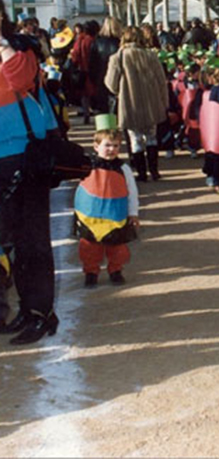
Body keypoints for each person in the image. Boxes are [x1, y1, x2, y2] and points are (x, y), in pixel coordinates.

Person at [0, 0, 60, 345]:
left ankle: (39, 312)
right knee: (8, 240)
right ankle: (24, 307)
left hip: (25, 151)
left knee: (32, 239)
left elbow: (21, 78)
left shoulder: (20, 47)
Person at [74, 116, 139, 287]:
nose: (111, 149)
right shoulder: (86, 166)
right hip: (90, 215)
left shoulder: (123, 168)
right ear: (96, 147)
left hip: (116, 214)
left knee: (117, 246)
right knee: (89, 247)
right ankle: (91, 272)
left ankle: (116, 270)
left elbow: (132, 192)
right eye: (107, 145)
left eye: (116, 146)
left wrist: (133, 213)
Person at [104, 26, 170, 183]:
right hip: (151, 101)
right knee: (151, 137)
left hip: (129, 102)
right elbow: (162, 81)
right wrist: (164, 102)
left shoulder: (118, 57)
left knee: (136, 139)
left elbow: (111, 84)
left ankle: (141, 173)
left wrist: (120, 89)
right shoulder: (151, 55)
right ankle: (154, 170)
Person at [89, 17, 122, 114]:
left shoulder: (97, 42)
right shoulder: (120, 43)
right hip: (118, 78)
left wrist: (94, 79)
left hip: (101, 78)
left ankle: (106, 127)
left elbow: (91, 63)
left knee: (103, 109)